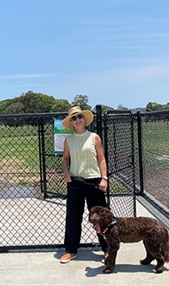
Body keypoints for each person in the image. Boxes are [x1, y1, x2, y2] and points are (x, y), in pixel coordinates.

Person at [59, 106, 109, 264]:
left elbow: (101, 158)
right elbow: (65, 158)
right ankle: (71, 250)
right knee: (73, 217)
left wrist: (104, 178)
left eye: (79, 116)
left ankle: (107, 249)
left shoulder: (94, 137)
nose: (77, 120)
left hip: (94, 181)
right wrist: (66, 172)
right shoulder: (69, 140)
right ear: (71, 122)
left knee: (101, 218)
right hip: (75, 182)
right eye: (73, 118)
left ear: (84, 119)